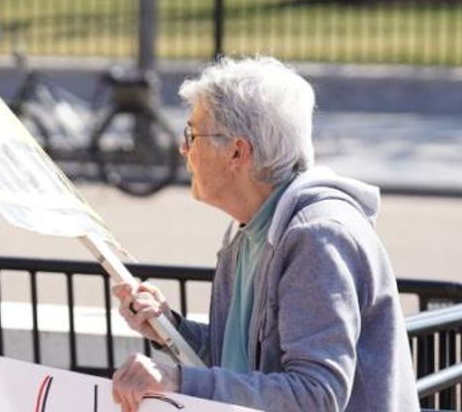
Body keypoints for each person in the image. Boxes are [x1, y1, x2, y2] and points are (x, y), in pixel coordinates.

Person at [109, 56, 417, 412]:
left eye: (192, 134)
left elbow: (315, 394)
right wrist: (169, 327)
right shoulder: (252, 226)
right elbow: (243, 359)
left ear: (238, 151)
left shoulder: (316, 237)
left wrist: (178, 381)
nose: (183, 149)